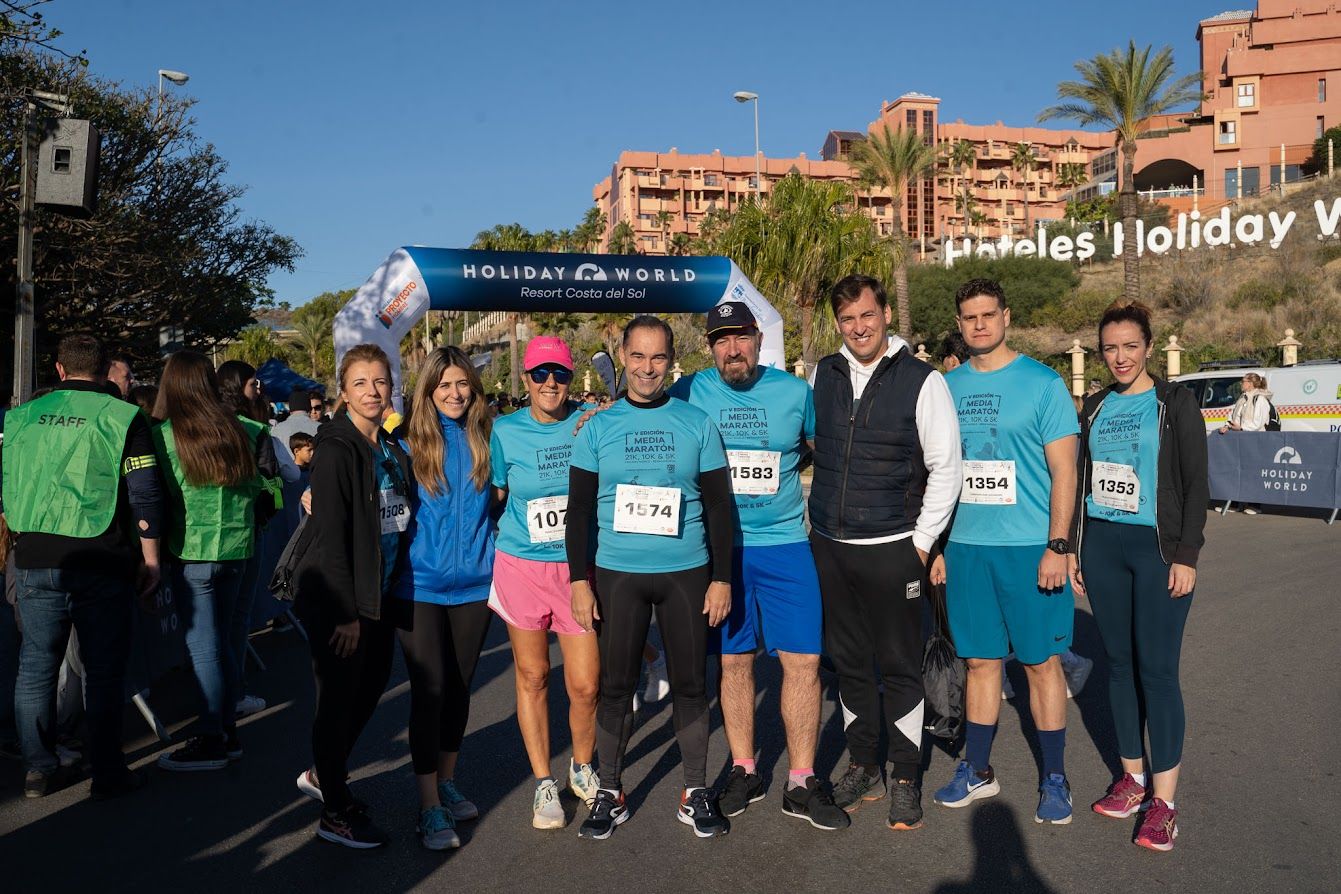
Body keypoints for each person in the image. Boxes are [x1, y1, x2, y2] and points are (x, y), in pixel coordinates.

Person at [669, 303, 846, 830]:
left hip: (787, 546)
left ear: (758, 340)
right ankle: (744, 769)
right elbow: (633, 413)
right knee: (734, 663)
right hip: (722, 555)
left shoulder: (794, 393)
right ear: (710, 348)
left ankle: (801, 779)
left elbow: (830, 450)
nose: (733, 350)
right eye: (721, 341)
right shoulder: (689, 392)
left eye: (741, 338)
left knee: (803, 664)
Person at [567, 315, 734, 840]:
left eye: (658, 357)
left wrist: (722, 577)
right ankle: (610, 791)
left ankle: (695, 790)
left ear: (671, 361)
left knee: (690, 684)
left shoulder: (697, 423)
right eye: (637, 357)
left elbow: (719, 507)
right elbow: (579, 513)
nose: (647, 368)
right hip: (619, 574)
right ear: (622, 357)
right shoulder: (596, 427)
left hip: (687, 571)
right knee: (616, 686)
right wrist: (578, 581)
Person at [808, 275, 961, 831]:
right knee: (849, 665)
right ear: (838, 323)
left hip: (894, 549)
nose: (859, 328)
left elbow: (948, 468)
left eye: (867, 316)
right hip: (830, 545)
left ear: (887, 313)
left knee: (898, 667)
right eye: (847, 320)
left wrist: (920, 544)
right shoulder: (821, 373)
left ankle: (904, 776)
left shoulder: (924, 381)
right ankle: (864, 763)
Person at [931, 278, 1079, 825]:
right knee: (979, 663)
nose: (979, 326)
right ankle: (977, 770)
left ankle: (1056, 776)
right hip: (968, 550)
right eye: (969, 318)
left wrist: (1058, 545)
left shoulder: (1043, 384)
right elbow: (940, 473)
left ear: (1006, 316)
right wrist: (942, 544)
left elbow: (1065, 470)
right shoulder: (945, 387)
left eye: (988, 315)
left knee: (1042, 664)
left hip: (1028, 549)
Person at [1071, 301, 1207, 853]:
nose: (1120, 357)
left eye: (1130, 346)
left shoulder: (1175, 404)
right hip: (1103, 546)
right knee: (1120, 667)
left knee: (1157, 671)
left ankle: (1165, 803)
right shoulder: (1095, 407)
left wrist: (1186, 555)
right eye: (1110, 348)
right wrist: (1077, 549)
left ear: (1149, 347)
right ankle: (1132, 778)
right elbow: (1083, 482)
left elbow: (1197, 485)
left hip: (1155, 551)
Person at [2, 333, 161, 799]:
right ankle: (109, 772)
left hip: (31, 554)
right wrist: (151, 561)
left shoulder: (20, 418)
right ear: (106, 366)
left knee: (35, 666)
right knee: (103, 669)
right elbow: (145, 493)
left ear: (58, 370)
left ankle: (38, 770)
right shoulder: (124, 416)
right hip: (101, 556)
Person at [292, 343, 413, 849]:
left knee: (370, 688)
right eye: (360, 382)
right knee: (338, 701)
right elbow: (333, 538)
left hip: (379, 592)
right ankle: (334, 811)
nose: (372, 391)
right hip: (340, 599)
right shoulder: (338, 448)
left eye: (380, 382)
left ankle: (327, 774)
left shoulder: (386, 443)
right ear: (344, 391)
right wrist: (345, 613)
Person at [488, 337, 599, 830]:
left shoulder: (591, 420)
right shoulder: (504, 431)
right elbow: (493, 492)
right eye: (540, 374)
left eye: (560, 375)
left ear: (571, 379)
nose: (550, 383)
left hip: (577, 569)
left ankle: (581, 765)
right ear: (526, 380)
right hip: (522, 565)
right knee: (533, 676)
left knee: (585, 684)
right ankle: (542, 783)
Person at [152, 352, 276, 770]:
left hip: (192, 553)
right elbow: (266, 487)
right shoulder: (246, 428)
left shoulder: (165, 434)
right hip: (238, 549)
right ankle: (225, 731)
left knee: (206, 648)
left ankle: (213, 736)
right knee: (223, 641)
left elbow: (159, 494)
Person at [395, 346, 496, 850]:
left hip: (476, 584)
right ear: (429, 391)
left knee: (459, 688)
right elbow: (359, 468)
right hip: (420, 586)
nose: (455, 394)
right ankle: (429, 805)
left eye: (462, 385)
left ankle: (447, 780)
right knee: (430, 691)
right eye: (445, 386)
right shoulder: (406, 442)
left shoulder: (487, 439)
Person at [216, 360, 286, 720]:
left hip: (198, 541)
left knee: (210, 630)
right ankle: (232, 695)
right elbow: (272, 478)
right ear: (235, 386)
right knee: (234, 622)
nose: (258, 390)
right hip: (246, 533)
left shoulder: (192, 428)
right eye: (253, 384)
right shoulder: (254, 429)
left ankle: (218, 702)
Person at [1218, 372, 1271, 514]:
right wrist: (1227, 425)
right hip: (1239, 440)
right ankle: (1235, 503)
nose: (1241, 383)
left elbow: (1258, 422)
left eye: (1243, 381)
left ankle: (1255, 505)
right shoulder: (1242, 398)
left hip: (1254, 441)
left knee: (1253, 473)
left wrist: (1241, 428)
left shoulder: (1260, 400)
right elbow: (1233, 415)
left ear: (1251, 383)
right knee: (1236, 471)